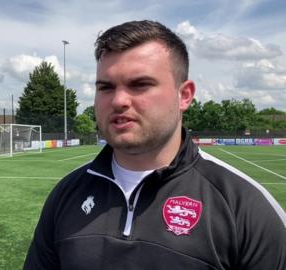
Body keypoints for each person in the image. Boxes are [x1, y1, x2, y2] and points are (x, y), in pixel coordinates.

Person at [23, 20, 286, 269]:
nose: (118, 101)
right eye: (106, 87)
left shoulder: (245, 205)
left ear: (184, 96)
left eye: (140, 84)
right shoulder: (66, 194)